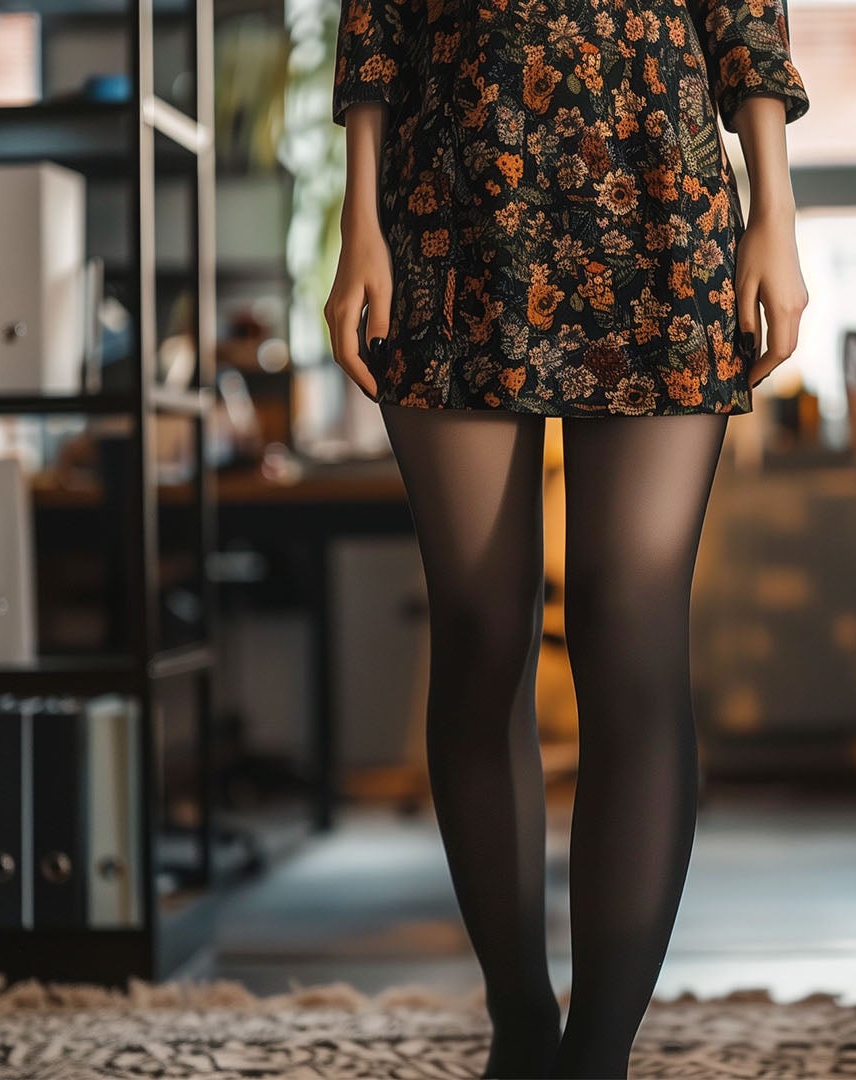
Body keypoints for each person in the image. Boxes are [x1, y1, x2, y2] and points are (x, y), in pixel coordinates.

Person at [323, 0, 809, 1072]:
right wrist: (358, 219)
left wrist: (774, 208)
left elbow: (747, 15)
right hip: (449, 189)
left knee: (628, 628)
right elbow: (373, 21)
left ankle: (597, 1056)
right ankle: (521, 1024)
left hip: (661, 183)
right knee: (479, 628)